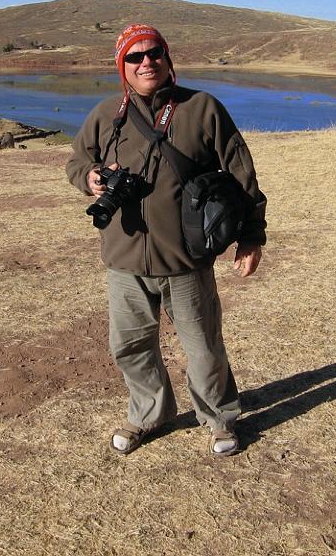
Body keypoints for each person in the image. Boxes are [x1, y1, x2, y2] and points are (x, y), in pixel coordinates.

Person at [66, 24, 267, 457]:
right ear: (122, 66)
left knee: (203, 348)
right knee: (130, 346)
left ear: (167, 57)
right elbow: (77, 159)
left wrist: (251, 236)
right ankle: (148, 414)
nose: (146, 63)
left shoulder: (201, 108)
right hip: (124, 259)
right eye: (134, 57)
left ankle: (218, 419)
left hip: (186, 258)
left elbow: (241, 174)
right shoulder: (105, 114)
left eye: (153, 53)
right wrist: (90, 177)